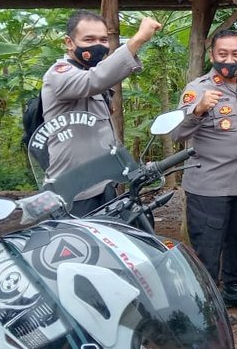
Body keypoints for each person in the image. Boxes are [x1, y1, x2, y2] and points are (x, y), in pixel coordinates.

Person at [172, 29, 237, 313]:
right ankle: (207, 304)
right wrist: (198, 110)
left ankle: (234, 290)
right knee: (208, 246)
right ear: (212, 54)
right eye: (223, 53)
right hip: (208, 184)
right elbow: (176, 133)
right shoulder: (197, 89)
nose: (229, 59)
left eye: (236, 54)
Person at [41, 11, 162, 216]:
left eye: (103, 39)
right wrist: (138, 39)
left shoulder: (90, 75)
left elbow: (105, 136)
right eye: (89, 39)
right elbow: (94, 81)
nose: (98, 45)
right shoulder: (58, 74)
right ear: (69, 43)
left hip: (103, 186)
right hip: (73, 192)